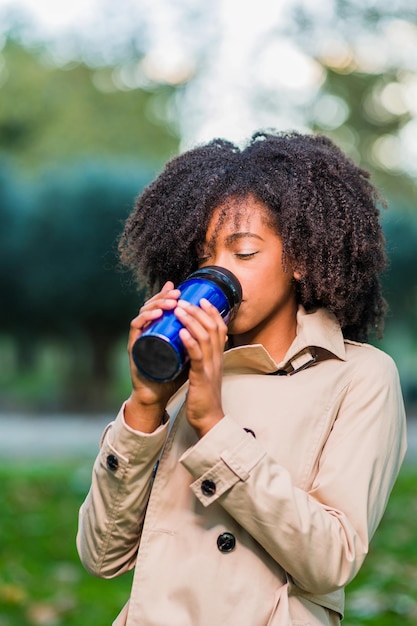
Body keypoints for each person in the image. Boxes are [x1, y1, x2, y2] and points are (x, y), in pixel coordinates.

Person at [77, 130, 407, 626]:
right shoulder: (183, 371)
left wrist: (213, 424)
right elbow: (101, 557)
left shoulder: (359, 377)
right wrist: (145, 405)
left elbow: (331, 561)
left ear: (300, 257)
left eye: (244, 253)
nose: (218, 273)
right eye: (203, 257)